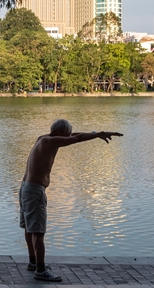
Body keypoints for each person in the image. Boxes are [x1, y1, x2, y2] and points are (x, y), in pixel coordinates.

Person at [19, 119, 122, 282]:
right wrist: (98, 135)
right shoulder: (50, 141)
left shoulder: (44, 138)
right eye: (66, 134)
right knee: (38, 231)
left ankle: (33, 262)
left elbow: (74, 135)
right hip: (34, 191)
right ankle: (40, 269)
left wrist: (95, 134)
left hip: (26, 188)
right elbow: (75, 139)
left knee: (29, 228)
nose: (68, 136)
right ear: (61, 134)